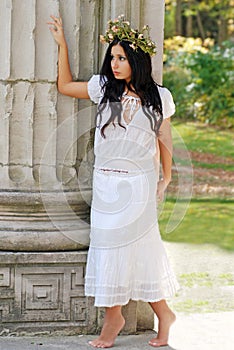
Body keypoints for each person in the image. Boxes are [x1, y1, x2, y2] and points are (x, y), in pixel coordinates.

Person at [48, 14, 179, 348]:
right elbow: (65, 86)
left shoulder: (159, 97)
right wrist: (62, 44)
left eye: (122, 58)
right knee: (109, 250)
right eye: (113, 58)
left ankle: (161, 314)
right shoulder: (104, 88)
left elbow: (165, 140)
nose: (115, 63)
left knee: (142, 252)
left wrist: (165, 178)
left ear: (136, 60)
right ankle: (115, 317)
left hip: (139, 185)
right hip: (107, 184)